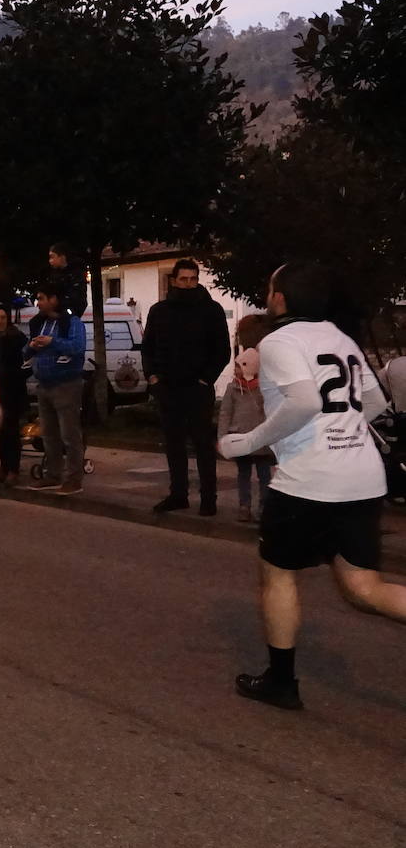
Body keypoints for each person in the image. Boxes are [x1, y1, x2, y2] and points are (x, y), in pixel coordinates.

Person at [219, 263, 406, 710]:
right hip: (361, 477)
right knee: (363, 587)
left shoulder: (281, 340)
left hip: (309, 480)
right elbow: (376, 401)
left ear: (280, 298)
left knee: (278, 574)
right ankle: (280, 681)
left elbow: (305, 401)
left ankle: (282, 683)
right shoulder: (341, 339)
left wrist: (248, 440)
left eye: (269, 288)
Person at [143, 259, 231, 516]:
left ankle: (208, 499)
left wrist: (206, 378)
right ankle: (178, 494)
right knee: (174, 444)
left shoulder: (211, 310)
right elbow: (148, 347)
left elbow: (222, 350)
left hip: (197, 388)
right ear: (173, 280)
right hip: (167, 387)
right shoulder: (159, 311)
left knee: (203, 444)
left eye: (193, 279)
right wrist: (153, 378)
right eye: (184, 279)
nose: (189, 284)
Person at [25, 283, 87, 494]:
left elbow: (77, 348)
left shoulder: (72, 322)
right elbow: (26, 350)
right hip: (44, 384)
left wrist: (52, 341)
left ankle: (74, 479)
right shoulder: (38, 323)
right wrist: (30, 347)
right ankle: (52, 475)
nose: (38, 302)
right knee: (49, 434)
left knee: (69, 435)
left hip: (66, 384)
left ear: (54, 300)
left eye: (42, 298)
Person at [218, 314, 274, 522]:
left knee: (264, 476)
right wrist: (223, 437)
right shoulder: (233, 388)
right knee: (243, 475)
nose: (238, 372)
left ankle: (264, 507)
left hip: (261, 439)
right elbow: (225, 412)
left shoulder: (264, 389)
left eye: (242, 367)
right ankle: (244, 505)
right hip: (239, 437)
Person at [0, 307, 30, 486]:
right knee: (0, 432)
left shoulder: (18, 339)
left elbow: (27, 365)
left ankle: (13, 470)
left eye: (3, 318)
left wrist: (12, 375)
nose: (0, 321)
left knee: (12, 431)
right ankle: (3, 468)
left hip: (13, 391)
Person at [46, 243, 88, 319]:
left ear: (62, 257)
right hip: (58, 308)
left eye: (52, 257)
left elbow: (76, 296)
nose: (50, 261)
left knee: (65, 319)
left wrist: (58, 302)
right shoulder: (54, 274)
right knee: (36, 320)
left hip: (72, 309)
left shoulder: (75, 273)